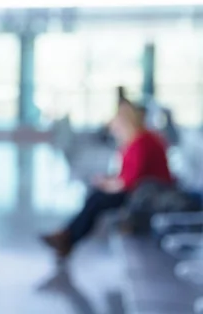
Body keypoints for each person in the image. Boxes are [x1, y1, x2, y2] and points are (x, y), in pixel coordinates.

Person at [41, 100, 172, 259]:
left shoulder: (141, 142)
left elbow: (130, 181)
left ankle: (67, 237)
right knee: (96, 196)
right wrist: (108, 182)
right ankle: (67, 236)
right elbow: (128, 175)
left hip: (149, 193)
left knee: (97, 199)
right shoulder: (136, 140)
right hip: (142, 189)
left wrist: (108, 184)